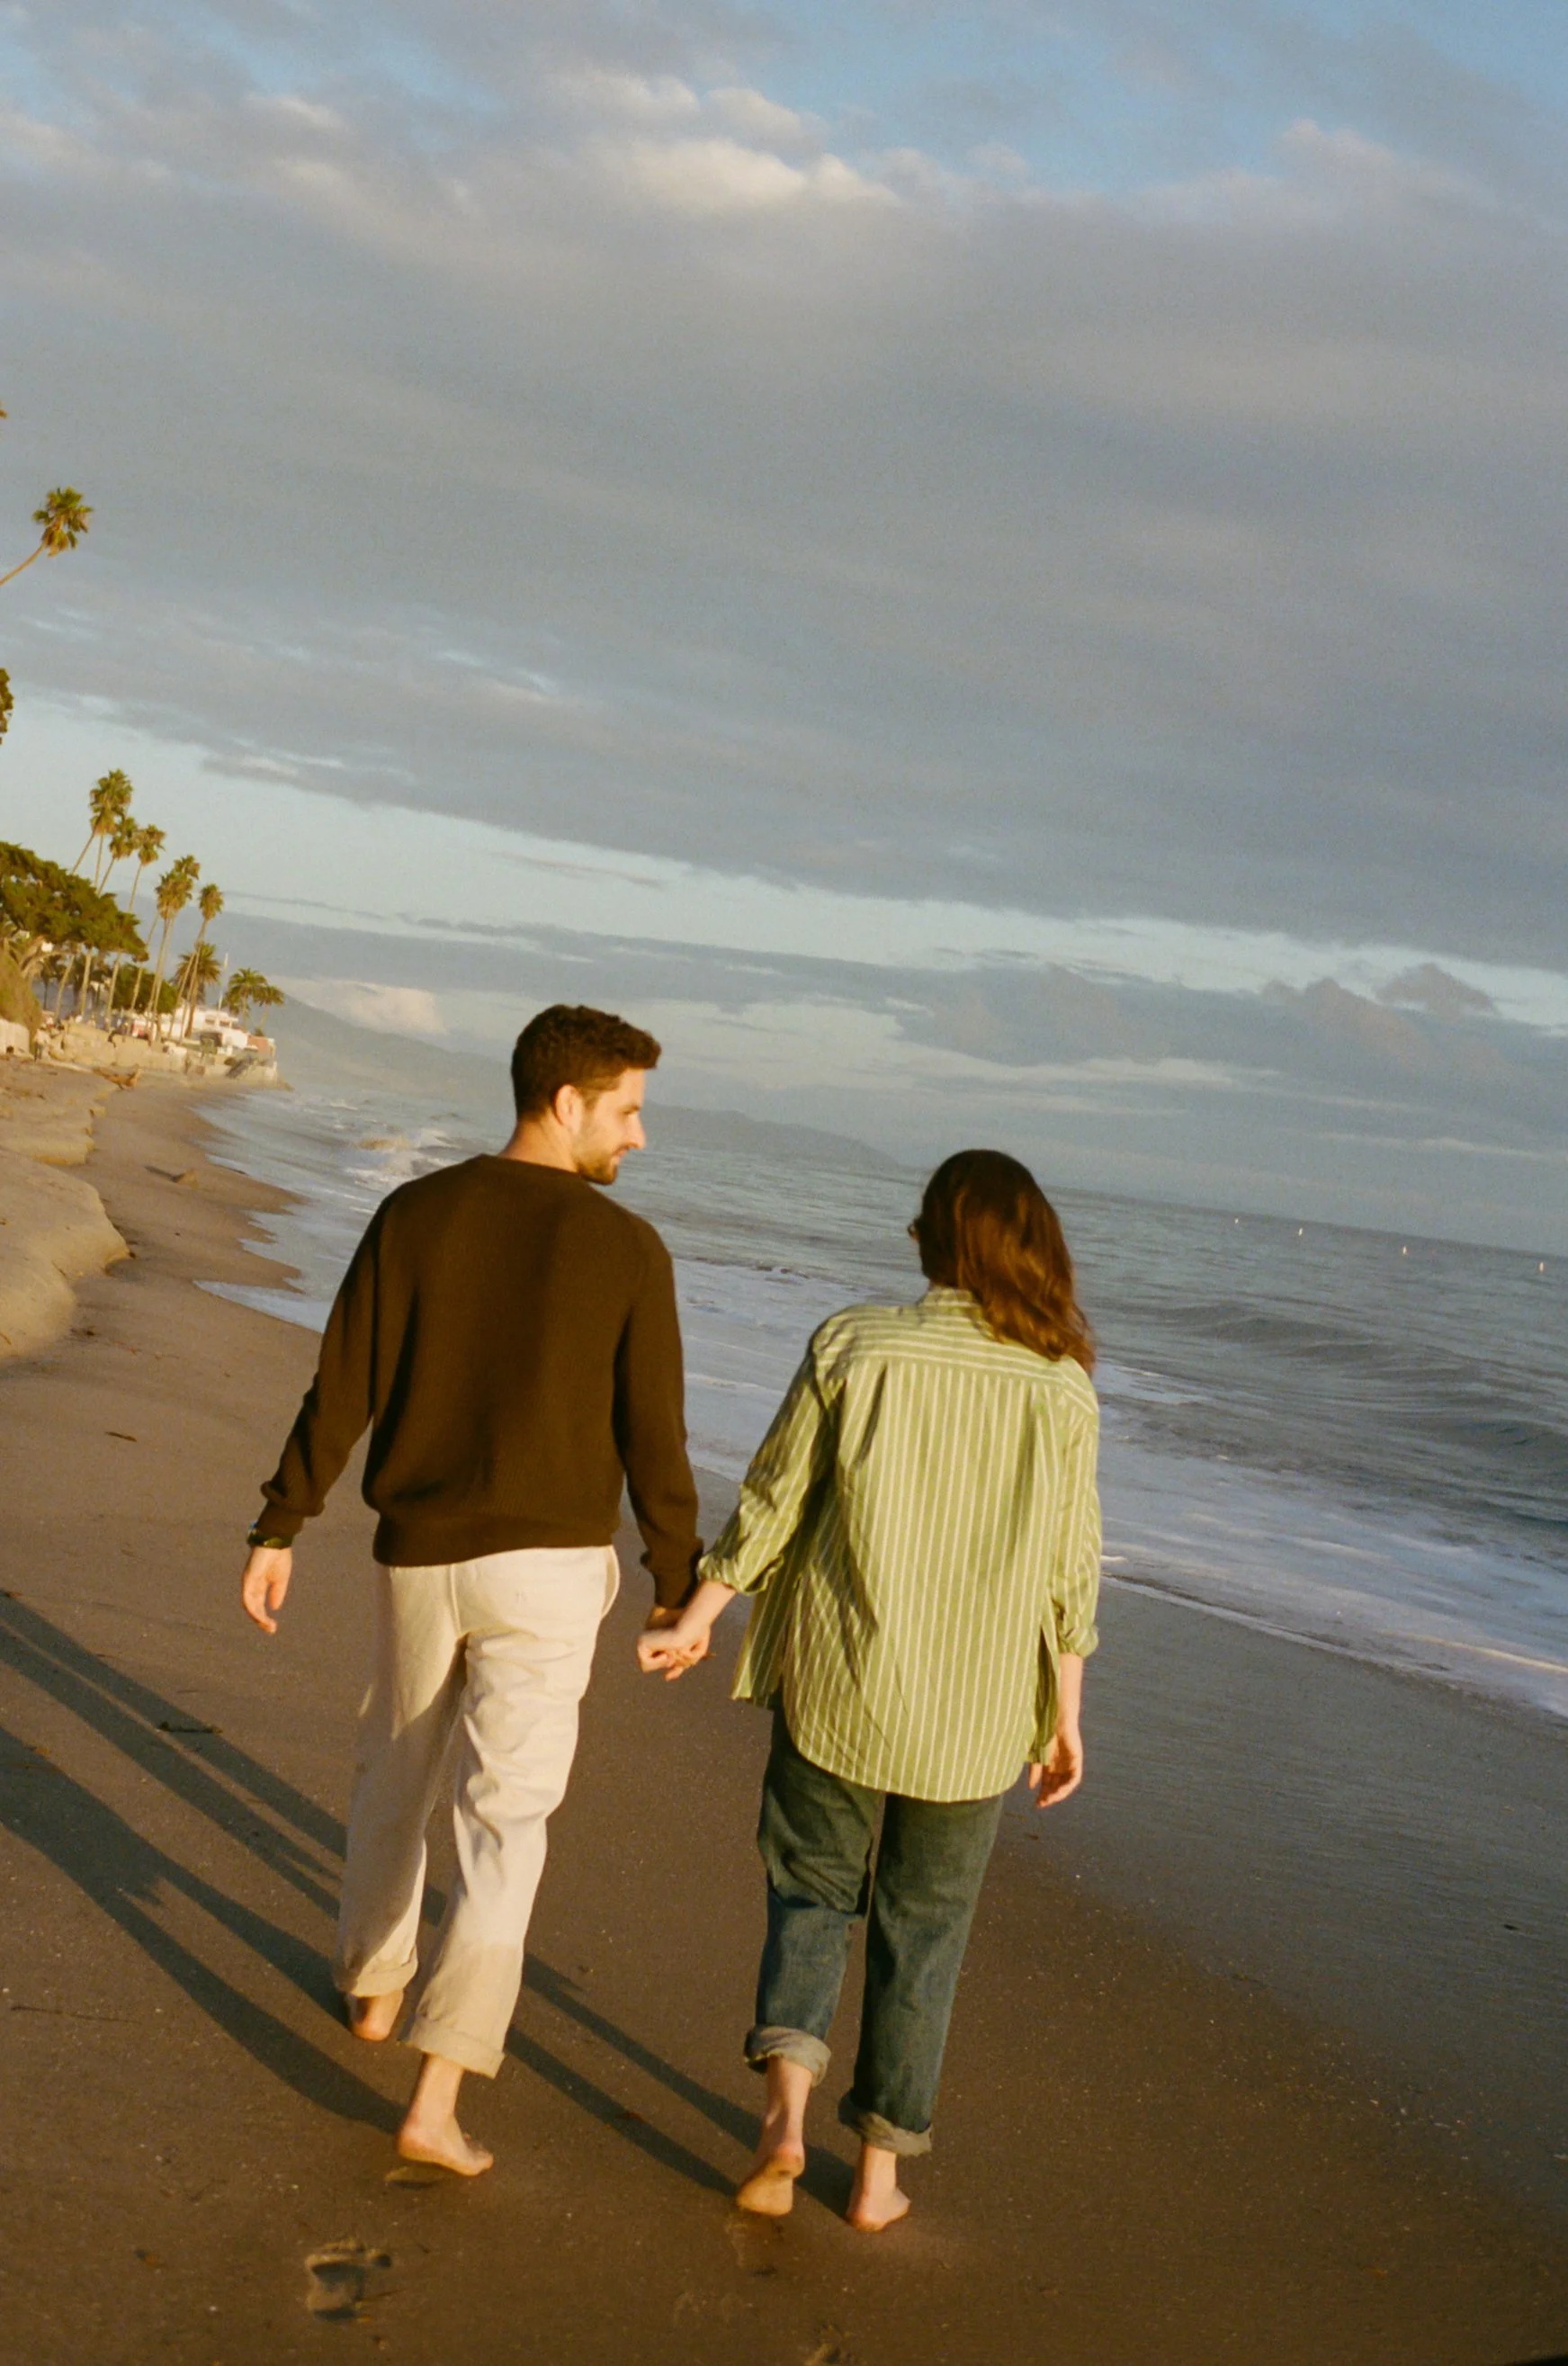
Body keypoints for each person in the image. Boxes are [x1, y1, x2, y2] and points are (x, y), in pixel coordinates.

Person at [241, 1003, 701, 2176]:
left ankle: (375, 1990)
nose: (639, 1137)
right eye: (628, 1109)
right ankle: (436, 2094)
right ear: (566, 1101)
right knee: (504, 1822)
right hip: (547, 1569)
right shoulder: (626, 1250)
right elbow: (654, 1437)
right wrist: (673, 1582)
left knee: (392, 1766)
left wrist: (282, 1518)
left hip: (421, 1554)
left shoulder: (417, 1213)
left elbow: (342, 1376)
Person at [641, 1148, 1100, 2231]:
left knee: (811, 1896)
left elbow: (774, 1499)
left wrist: (698, 1618)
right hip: (978, 1718)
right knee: (923, 1934)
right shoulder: (1061, 1385)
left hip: (841, 1685)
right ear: (1034, 1247)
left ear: (928, 1238)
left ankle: (784, 2124)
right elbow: (1069, 1571)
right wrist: (1066, 1717)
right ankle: (880, 2175)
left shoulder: (855, 1342)